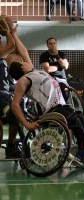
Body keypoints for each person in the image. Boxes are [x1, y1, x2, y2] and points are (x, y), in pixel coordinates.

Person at [8, 24, 84, 164]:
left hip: (61, 106)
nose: (25, 60)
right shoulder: (24, 80)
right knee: (78, 123)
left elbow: (23, 50)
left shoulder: (33, 72)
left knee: (83, 120)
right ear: (22, 67)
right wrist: (27, 124)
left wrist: (13, 34)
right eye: (22, 62)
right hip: (52, 109)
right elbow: (15, 105)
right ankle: (83, 154)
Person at [0, 27, 25, 158]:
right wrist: (8, 33)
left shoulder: (5, 61)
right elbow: (11, 45)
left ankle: (11, 146)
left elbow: (20, 55)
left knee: (18, 113)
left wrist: (13, 35)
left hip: (6, 96)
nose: (1, 45)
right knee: (14, 113)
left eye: (1, 43)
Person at [39, 37, 70, 103]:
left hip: (61, 79)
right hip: (50, 79)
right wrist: (59, 66)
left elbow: (65, 66)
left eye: (54, 43)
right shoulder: (44, 55)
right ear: (47, 45)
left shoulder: (61, 54)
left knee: (65, 90)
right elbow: (48, 69)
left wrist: (57, 56)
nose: (53, 45)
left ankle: (63, 107)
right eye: (50, 44)